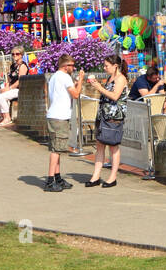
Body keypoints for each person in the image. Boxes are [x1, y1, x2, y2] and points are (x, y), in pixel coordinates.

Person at [83, 55, 129, 188]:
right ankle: (95, 176)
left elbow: (115, 96)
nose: (104, 68)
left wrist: (99, 88)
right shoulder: (110, 78)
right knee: (100, 145)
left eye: (106, 66)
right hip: (104, 115)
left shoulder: (121, 79)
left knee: (113, 146)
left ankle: (112, 177)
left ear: (115, 66)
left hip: (114, 116)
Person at [45, 55, 84, 192]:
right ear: (65, 66)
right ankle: (50, 181)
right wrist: (81, 80)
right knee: (56, 150)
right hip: (59, 117)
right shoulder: (65, 77)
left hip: (53, 115)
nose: (73, 68)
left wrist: (75, 82)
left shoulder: (54, 77)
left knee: (57, 148)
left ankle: (58, 178)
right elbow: (76, 94)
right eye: (72, 65)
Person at [0, 45, 28, 127]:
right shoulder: (13, 66)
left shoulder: (23, 66)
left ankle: (7, 118)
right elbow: (9, 79)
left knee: (1, 97)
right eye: (13, 54)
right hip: (12, 88)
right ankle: (2, 116)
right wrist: (5, 86)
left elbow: (20, 81)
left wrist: (9, 88)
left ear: (21, 55)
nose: (15, 55)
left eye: (17, 54)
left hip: (19, 89)